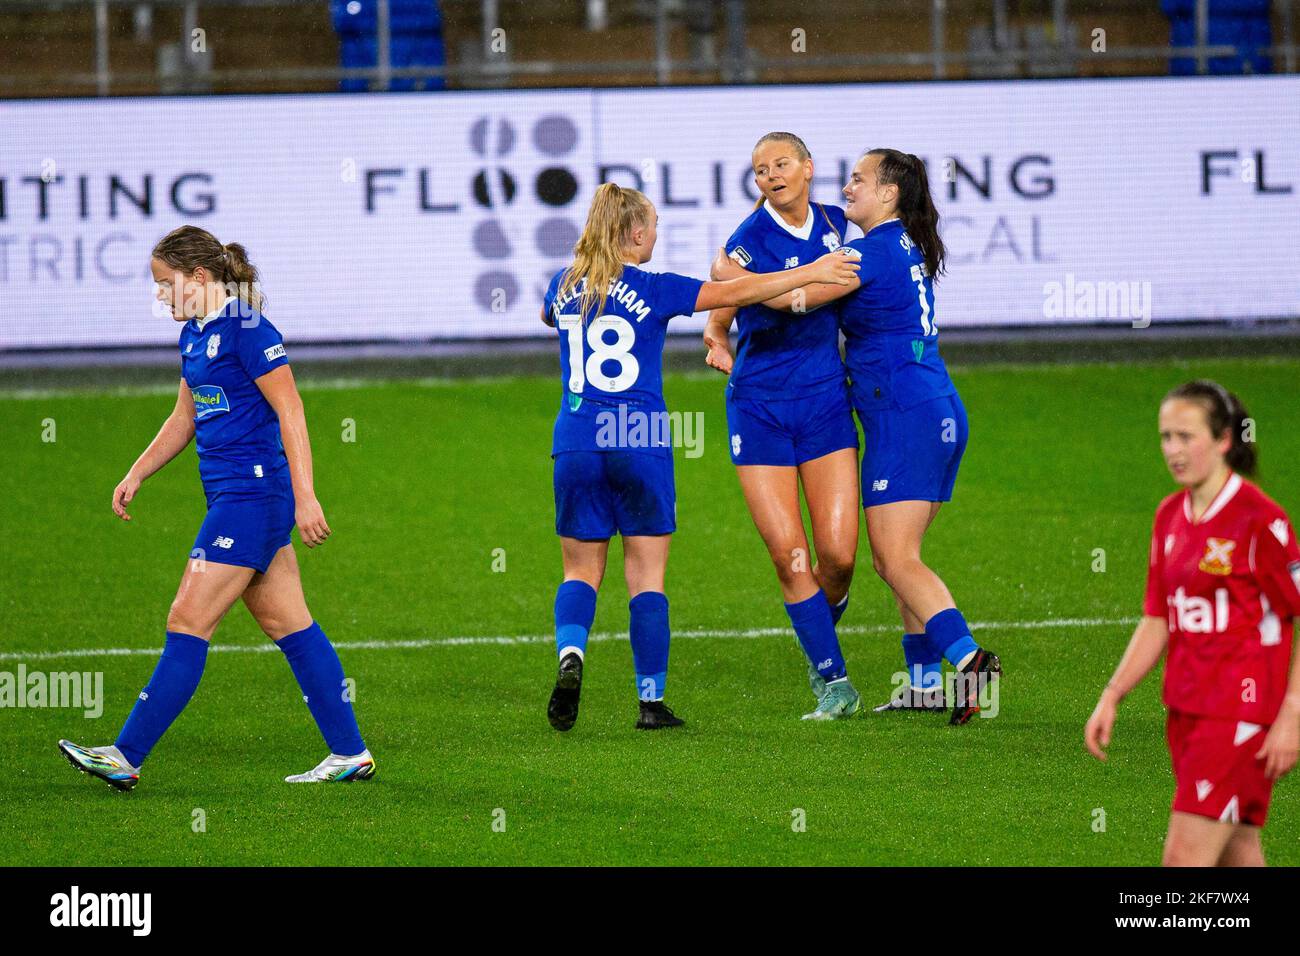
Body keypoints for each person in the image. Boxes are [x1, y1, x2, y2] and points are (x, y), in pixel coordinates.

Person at [58, 225, 374, 789]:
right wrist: (137, 471)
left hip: (253, 499)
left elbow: (292, 412)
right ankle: (349, 752)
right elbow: (185, 418)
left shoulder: (250, 330)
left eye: (165, 283)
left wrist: (306, 497)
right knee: (289, 623)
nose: (160, 295)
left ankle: (125, 755)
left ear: (199, 277)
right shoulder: (193, 336)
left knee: (187, 618)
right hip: (236, 498)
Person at [544, 182, 860, 731]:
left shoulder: (561, 286)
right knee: (646, 574)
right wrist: (812, 271)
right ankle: (650, 702)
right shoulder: (658, 287)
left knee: (579, 569)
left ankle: (571, 657)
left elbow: (552, 317)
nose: (657, 234)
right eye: (654, 226)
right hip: (638, 433)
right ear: (637, 234)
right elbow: (737, 292)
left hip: (575, 435)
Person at [711, 148, 1000, 724]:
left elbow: (794, 301)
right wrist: (721, 320)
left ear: (889, 194)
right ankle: (921, 684)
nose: (848, 189)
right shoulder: (899, 243)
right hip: (935, 407)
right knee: (901, 557)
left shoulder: (865, 252)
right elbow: (774, 221)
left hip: (900, 416)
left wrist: (729, 280)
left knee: (894, 561)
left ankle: (970, 663)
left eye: (859, 180)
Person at [1085, 381, 1300, 866]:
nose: (1174, 451)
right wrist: (1113, 694)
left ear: (1224, 439)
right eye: (1166, 437)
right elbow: (1159, 617)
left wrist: (1292, 714)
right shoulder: (1169, 517)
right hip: (1186, 710)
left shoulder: (1259, 520)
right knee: (1238, 852)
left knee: (1183, 861)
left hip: (1239, 714)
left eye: (1186, 436)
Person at [701, 132, 864, 720]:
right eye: (760, 169)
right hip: (760, 407)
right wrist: (719, 332)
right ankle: (833, 681)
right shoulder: (747, 240)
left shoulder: (836, 222)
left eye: (781, 164)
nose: (770, 174)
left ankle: (814, 627)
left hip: (824, 404)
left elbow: (842, 285)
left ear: (807, 168)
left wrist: (780, 296)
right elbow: (737, 300)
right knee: (791, 557)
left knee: (840, 557)